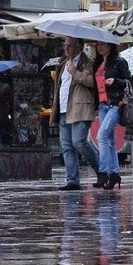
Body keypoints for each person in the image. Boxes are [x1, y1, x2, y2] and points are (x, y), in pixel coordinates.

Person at [51, 36, 101, 190]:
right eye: (65, 45)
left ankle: (101, 169)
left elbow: (93, 83)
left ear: (79, 46)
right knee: (67, 147)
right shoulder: (62, 62)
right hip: (64, 109)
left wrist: (75, 73)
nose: (66, 49)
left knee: (78, 142)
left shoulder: (89, 63)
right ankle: (72, 180)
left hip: (80, 108)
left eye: (70, 46)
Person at [92, 41, 130, 190]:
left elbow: (128, 81)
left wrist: (115, 81)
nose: (99, 47)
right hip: (102, 105)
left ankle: (103, 173)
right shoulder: (99, 63)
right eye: (98, 44)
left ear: (110, 46)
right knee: (110, 140)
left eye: (103, 44)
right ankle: (114, 174)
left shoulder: (119, 62)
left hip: (116, 104)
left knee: (101, 136)